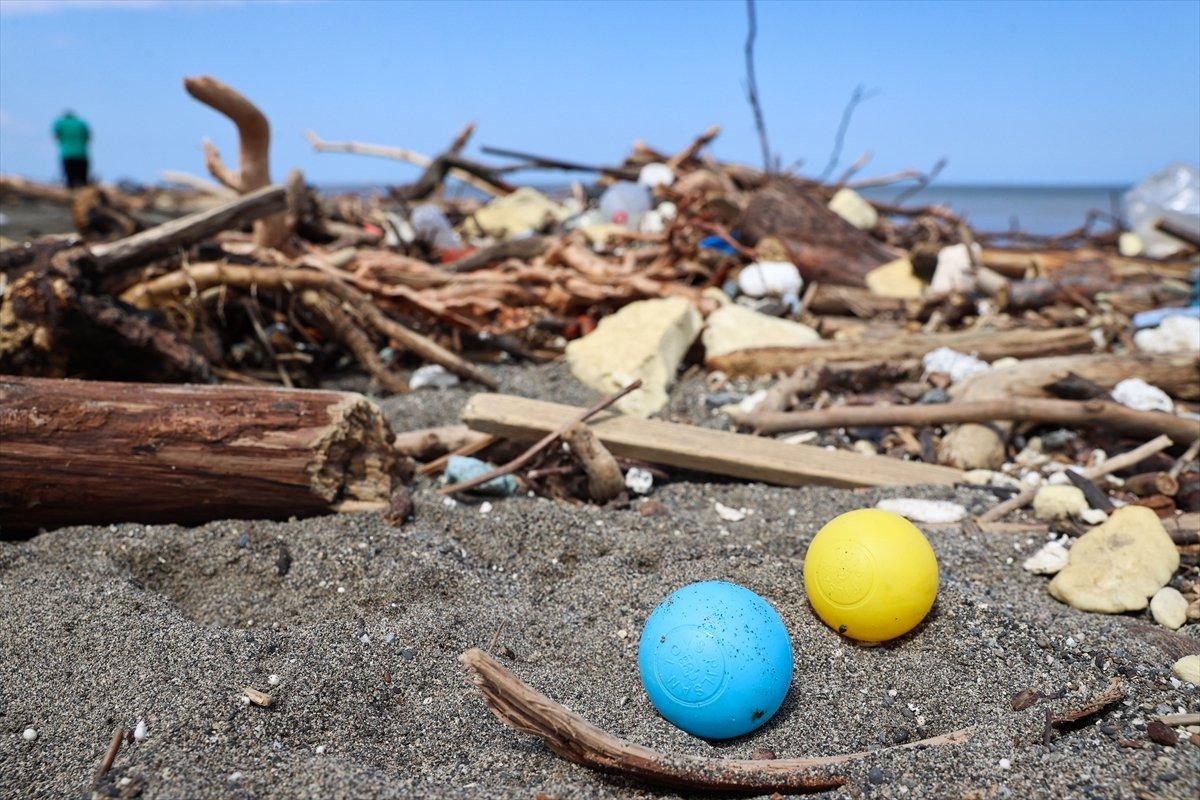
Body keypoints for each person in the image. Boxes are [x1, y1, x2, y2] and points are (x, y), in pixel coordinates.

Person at [52, 110, 90, 188]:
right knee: (83, 182)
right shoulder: (81, 123)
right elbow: (88, 138)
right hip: (82, 155)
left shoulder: (60, 123)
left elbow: (56, 137)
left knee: (70, 182)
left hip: (67, 155)